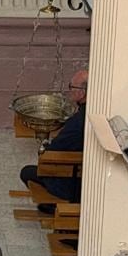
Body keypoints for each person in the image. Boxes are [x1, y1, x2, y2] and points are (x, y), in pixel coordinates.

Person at [19, 69, 88, 208]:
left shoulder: (78, 123)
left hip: (73, 182)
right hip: (83, 175)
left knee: (27, 172)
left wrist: (45, 147)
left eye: (71, 87)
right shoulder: (90, 112)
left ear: (82, 93)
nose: (70, 91)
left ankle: (54, 207)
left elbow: (53, 151)